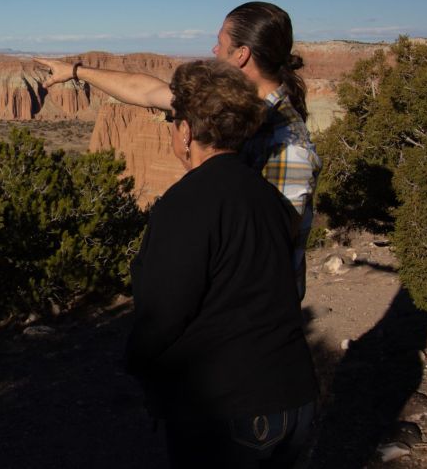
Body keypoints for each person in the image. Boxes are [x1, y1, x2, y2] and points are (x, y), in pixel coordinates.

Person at [35, 1, 319, 299]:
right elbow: (146, 92)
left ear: (241, 54)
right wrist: (75, 71)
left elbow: (266, 247)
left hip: (256, 317)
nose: (213, 50)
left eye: (220, 42)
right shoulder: (224, 105)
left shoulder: (288, 144)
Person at [125, 60, 318, 468]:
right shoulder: (268, 197)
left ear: (186, 131)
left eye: (173, 120)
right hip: (293, 398)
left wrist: (138, 365)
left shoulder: (186, 205)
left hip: (229, 410)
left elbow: (162, 314)